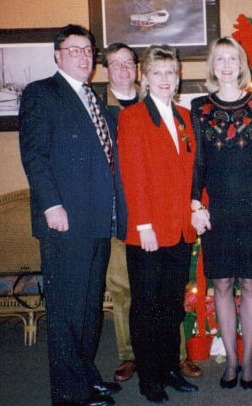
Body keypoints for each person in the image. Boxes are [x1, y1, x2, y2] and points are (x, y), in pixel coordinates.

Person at [19, 24, 127, 406]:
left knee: (88, 307)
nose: (84, 56)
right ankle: (69, 394)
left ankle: (86, 376)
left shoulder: (92, 97)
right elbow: (35, 154)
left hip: (97, 221)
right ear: (57, 54)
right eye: (75, 49)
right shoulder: (42, 93)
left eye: (88, 50)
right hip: (64, 222)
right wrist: (51, 205)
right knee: (67, 311)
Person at [101, 42, 203, 383]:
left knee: (171, 304)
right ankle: (150, 378)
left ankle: (171, 368)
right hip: (148, 229)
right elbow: (132, 176)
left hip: (179, 228)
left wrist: (197, 206)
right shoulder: (132, 117)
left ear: (178, 78)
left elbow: (193, 171)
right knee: (145, 306)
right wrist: (142, 224)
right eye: (157, 72)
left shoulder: (186, 117)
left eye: (170, 72)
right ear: (145, 77)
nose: (164, 78)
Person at [190, 37, 252, 390]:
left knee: (249, 282)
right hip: (218, 211)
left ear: (241, 64)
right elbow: (198, 163)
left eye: (233, 59)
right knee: (223, 284)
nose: (227, 65)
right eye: (220, 59)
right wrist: (195, 205)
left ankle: (248, 362)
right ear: (213, 65)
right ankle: (230, 359)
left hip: (251, 209)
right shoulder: (200, 107)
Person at [101, 42, 139, 384]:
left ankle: (176, 353)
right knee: (122, 287)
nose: (124, 68)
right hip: (117, 212)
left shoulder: (157, 102)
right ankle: (128, 356)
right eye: (116, 63)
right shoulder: (96, 109)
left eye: (129, 62)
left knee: (164, 287)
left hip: (155, 211)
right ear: (107, 70)